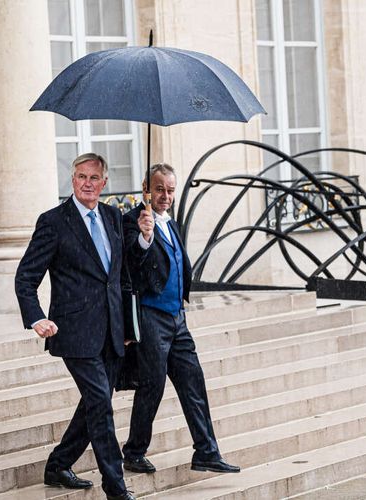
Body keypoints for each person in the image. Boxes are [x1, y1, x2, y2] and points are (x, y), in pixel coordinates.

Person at [14, 153, 153, 500]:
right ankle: (115, 486)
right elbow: (26, 276)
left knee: (96, 401)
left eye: (94, 177)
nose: (87, 183)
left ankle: (58, 464)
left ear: (104, 183)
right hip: (73, 331)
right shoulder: (53, 222)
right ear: (72, 181)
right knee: (99, 403)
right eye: (80, 177)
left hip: (112, 330)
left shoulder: (112, 216)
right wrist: (36, 317)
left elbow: (122, 272)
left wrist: (144, 238)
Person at [120, 163, 241, 475]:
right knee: (153, 385)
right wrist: (144, 237)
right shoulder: (133, 221)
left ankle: (206, 451)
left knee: (193, 382)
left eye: (171, 190)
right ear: (146, 189)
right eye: (159, 189)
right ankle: (134, 452)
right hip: (150, 315)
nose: (166, 196)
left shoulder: (170, 224)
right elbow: (132, 260)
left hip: (177, 318)